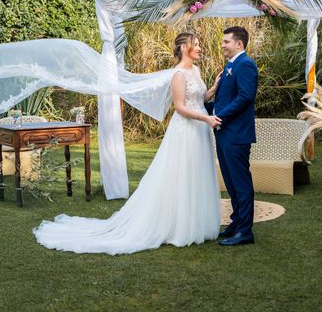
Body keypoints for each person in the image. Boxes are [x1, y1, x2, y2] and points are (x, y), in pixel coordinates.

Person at [33, 32, 223, 255]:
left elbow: (200, 99)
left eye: (199, 45)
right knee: (181, 175)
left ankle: (195, 221)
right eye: (196, 45)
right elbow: (180, 107)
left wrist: (216, 87)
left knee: (196, 173)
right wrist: (206, 118)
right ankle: (180, 227)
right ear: (183, 48)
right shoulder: (178, 75)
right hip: (187, 130)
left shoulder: (196, 71)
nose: (200, 48)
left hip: (200, 129)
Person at [206, 26, 259, 246]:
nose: (223, 44)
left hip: (236, 134)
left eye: (226, 41)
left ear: (239, 44)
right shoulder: (231, 65)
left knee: (241, 183)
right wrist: (208, 111)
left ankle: (245, 231)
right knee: (230, 182)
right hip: (225, 133)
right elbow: (226, 98)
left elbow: (245, 97)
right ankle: (236, 223)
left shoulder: (246, 64)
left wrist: (219, 116)